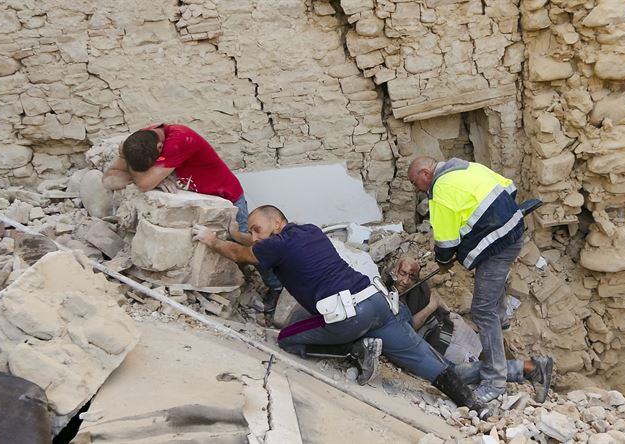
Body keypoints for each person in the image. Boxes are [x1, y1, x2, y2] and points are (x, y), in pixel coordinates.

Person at [192, 205, 489, 414]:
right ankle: (475, 406)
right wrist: (239, 231)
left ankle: (357, 350)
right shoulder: (308, 230)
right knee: (424, 361)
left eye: (257, 230)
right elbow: (256, 244)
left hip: (349, 315)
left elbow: (240, 253)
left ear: (277, 224)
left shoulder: (275, 245)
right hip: (377, 302)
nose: (254, 237)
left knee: (287, 338)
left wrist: (212, 239)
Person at [102, 123, 282, 310]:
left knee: (254, 247)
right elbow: (109, 179)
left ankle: (277, 287)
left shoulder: (180, 139)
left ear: (160, 148)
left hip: (228, 199)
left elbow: (144, 183)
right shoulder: (139, 142)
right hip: (197, 202)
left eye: (154, 166)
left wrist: (143, 175)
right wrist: (141, 170)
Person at [407, 156, 530, 402]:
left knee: (482, 311)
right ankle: (501, 320)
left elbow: (446, 242)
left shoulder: (440, 190)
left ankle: (495, 381)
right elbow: (509, 188)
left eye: (414, 182)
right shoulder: (464, 167)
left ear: (424, 173)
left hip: (498, 246)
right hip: (515, 231)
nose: (416, 189)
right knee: (491, 289)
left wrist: (443, 262)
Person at [388, 256, 553, 403]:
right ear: (395, 269)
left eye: (412, 277)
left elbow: (412, 324)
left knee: (455, 373)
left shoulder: (417, 292)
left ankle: (530, 368)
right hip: (447, 332)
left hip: (448, 338)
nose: (405, 281)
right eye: (403, 274)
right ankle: (529, 368)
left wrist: (434, 306)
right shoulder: (390, 289)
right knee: (468, 369)